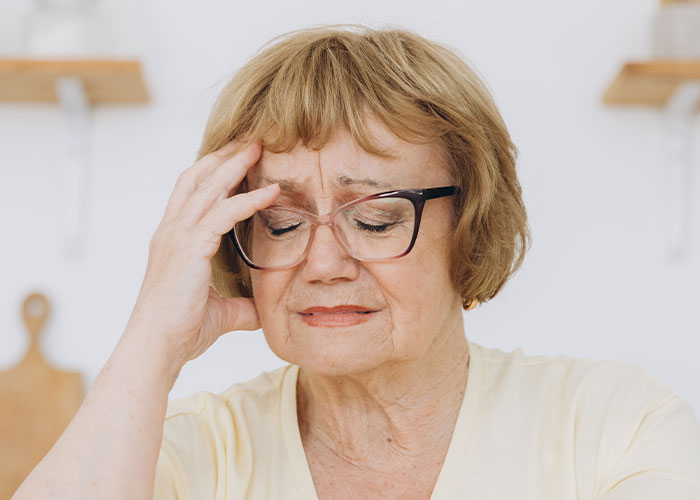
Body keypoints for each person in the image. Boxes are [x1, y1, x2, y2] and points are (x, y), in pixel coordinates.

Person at [13, 25, 700, 500]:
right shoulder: (189, 454)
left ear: (470, 223)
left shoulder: (613, 425)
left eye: (375, 217)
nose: (323, 262)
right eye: (278, 223)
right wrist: (151, 337)